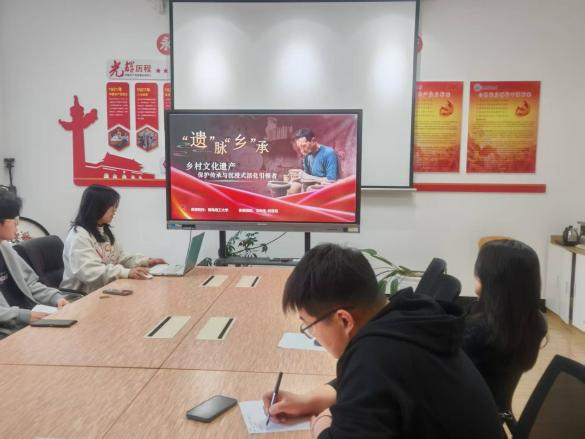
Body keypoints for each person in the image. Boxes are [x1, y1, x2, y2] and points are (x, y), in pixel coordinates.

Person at [262, 244, 505, 439]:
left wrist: (322, 425)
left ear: (344, 320)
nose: (313, 335)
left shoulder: (376, 356)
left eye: (309, 325)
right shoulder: (407, 319)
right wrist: (310, 400)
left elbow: (370, 380)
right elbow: (375, 388)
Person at [463, 239, 547, 413]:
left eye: (479, 275)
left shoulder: (478, 332)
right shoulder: (535, 321)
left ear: (492, 283)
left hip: (463, 415)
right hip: (493, 410)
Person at [61, 185, 165, 293]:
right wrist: (126, 273)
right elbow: (90, 272)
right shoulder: (78, 236)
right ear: (98, 207)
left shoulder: (104, 231)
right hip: (79, 297)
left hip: (102, 291)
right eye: (112, 206)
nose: (115, 210)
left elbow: (119, 258)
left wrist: (145, 262)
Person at [0, 190, 69, 338]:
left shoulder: (6, 248)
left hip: (27, 321)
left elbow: (30, 284)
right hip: (8, 332)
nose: (18, 224)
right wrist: (25, 316)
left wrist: (56, 297)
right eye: (14, 218)